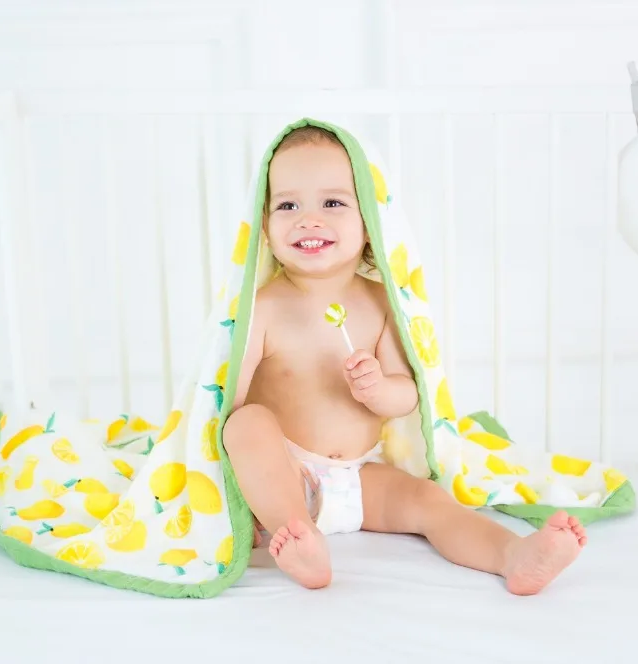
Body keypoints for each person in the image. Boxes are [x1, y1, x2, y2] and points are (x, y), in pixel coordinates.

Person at [221, 126, 587, 594]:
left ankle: (512, 555)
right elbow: (227, 399)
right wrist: (240, 474)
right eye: (288, 205)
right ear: (264, 227)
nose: (309, 220)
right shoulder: (263, 308)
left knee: (429, 501)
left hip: (362, 476)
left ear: (370, 222)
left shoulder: (381, 303)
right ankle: (298, 534)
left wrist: (378, 390)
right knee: (246, 424)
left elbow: (407, 395)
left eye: (332, 203)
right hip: (289, 477)